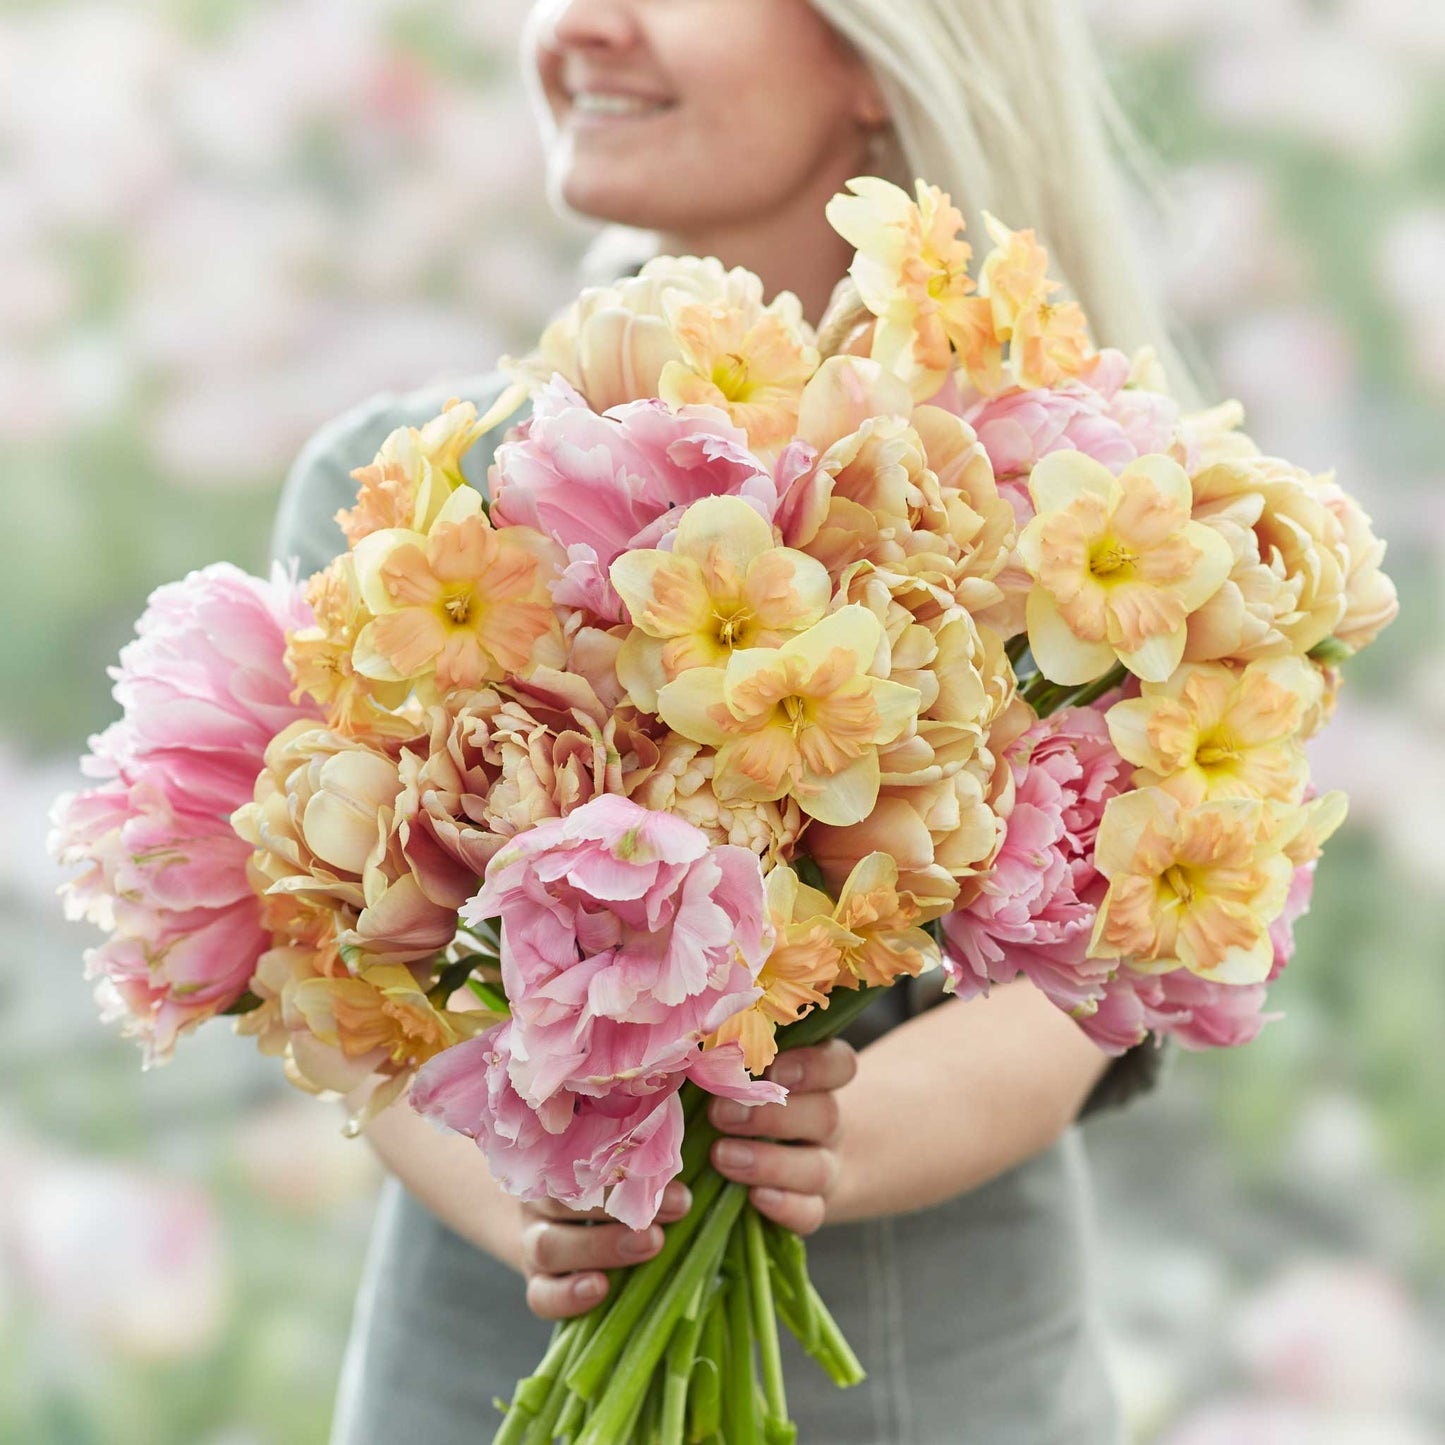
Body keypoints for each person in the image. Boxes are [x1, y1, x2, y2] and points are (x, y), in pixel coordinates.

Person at [272, 2, 1179, 1440]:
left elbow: (1094, 976)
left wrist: (839, 1135)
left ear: (881, 61)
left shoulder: (1072, 510)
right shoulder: (407, 495)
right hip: (475, 1372)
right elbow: (335, 976)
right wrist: (521, 1188)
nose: (575, 25)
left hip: (915, 1381)